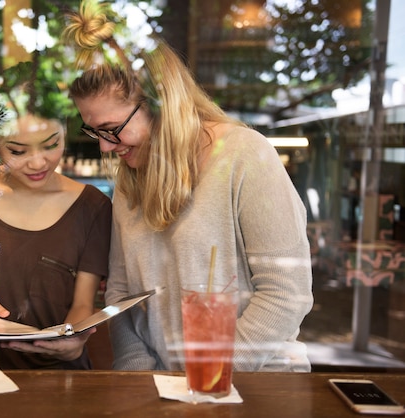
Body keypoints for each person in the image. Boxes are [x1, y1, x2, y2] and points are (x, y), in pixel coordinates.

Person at [63, 0, 314, 372]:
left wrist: (210, 374)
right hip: (165, 391)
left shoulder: (245, 155)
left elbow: (285, 294)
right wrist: (137, 372)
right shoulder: (131, 178)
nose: (105, 146)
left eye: (112, 129)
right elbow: (121, 295)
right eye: (93, 130)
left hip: (257, 387)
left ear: (162, 105)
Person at [0, 89, 112, 369]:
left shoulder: (92, 205)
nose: (38, 162)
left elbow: (82, 303)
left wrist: (72, 342)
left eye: (51, 144)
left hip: (61, 379)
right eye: (18, 150)